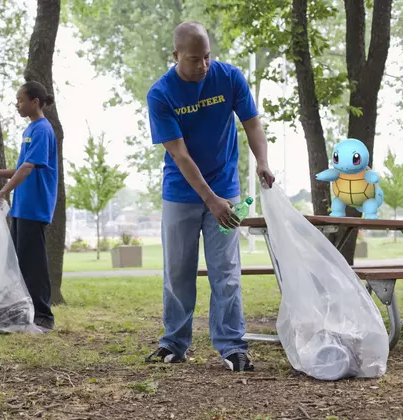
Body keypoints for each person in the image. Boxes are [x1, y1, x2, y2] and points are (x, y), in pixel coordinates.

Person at [144, 21, 276, 371]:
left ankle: (232, 346)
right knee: (178, 272)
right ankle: (174, 343)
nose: (203, 65)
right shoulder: (161, 94)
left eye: (206, 57)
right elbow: (180, 155)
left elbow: (252, 124)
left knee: (227, 272)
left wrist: (262, 161)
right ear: (175, 56)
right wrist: (211, 200)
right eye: (193, 59)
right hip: (181, 193)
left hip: (226, 190)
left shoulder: (229, 78)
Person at [0, 81, 58, 333]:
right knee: (19, 262)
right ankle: (24, 312)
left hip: (36, 206)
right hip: (23, 207)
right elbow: (21, 165)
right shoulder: (30, 129)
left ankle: (44, 316)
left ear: (35, 101)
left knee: (34, 264)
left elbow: (29, 167)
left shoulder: (43, 129)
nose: (17, 104)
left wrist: (3, 192)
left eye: (20, 100)